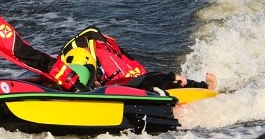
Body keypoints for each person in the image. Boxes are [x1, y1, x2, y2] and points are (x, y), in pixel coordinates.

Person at [60, 27, 217, 92]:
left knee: (154, 78)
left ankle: (204, 87)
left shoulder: (113, 83)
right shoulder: (104, 84)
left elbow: (147, 81)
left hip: (144, 83)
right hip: (136, 84)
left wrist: (172, 76)